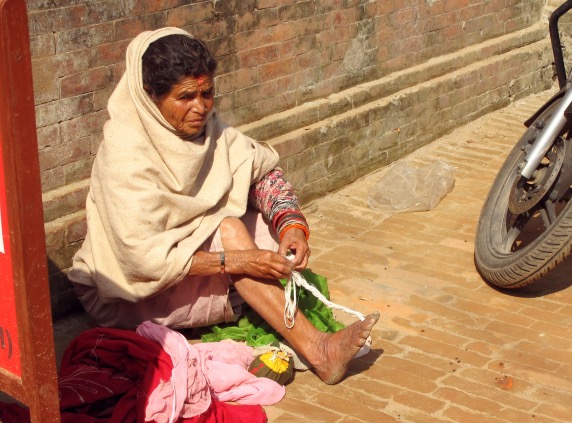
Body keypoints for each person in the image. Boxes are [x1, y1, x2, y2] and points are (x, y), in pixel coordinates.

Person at [68, 27, 379, 385]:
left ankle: (260, 302)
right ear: (150, 95)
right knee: (231, 231)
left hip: (188, 267)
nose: (200, 107)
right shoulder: (124, 154)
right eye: (185, 97)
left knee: (261, 229)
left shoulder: (212, 131)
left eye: (207, 93)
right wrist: (240, 260)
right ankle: (318, 350)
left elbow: (262, 175)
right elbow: (142, 260)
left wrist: (291, 225)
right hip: (130, 293)